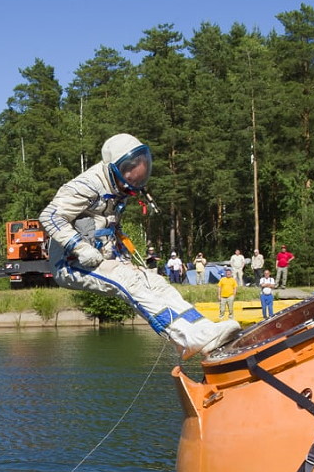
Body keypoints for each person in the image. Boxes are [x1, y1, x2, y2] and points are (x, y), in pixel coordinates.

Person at [39, 133, 241, 359]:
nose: (132, 188)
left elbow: (105, 221)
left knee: (156, 282)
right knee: (129, 282)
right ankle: (184, 338)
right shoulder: (85, 186)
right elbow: (49, 216)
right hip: (70, 261)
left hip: (104, 256)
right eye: (130, 181)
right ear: (115, 168)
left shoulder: (118, 187)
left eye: (137, 182)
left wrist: (119, 242)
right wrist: (80, 247)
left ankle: (202, 328)